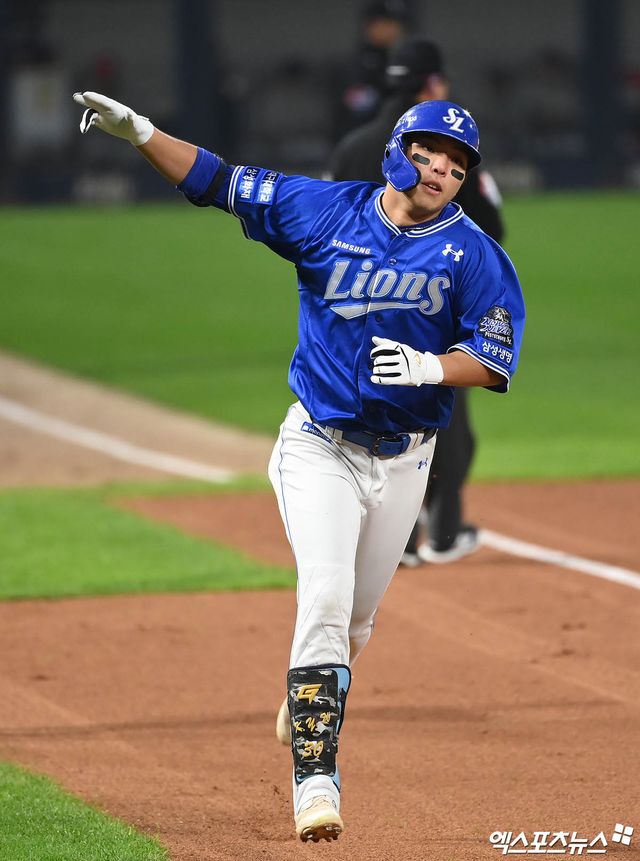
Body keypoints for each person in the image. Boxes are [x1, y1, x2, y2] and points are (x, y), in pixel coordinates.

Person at [73, 90, 525, 843]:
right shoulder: (324, 211)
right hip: (319, 445)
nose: (442, 173)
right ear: (399, 151)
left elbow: (494, 356)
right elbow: (218, 181)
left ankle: (310, 689)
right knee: (326, 597)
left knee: (355, 623)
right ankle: (317, 779)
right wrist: (143, 131)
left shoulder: (474, 254)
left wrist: (431, 367)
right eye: (430, 156)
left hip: (407, 459)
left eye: (456, 166)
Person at [329, 36, 506, 565]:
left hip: (350, 307)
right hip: (427, 305)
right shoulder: (446, 156)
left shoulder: (351, 146)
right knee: (445, 423)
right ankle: (443, 533)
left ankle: (392, 540)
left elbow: (329, 223)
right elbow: (490, 229)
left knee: (360, 419)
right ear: (432, 85)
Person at [332, 0, 408, 140]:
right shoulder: (353, 67)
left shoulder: (399, 64)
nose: (394, 29)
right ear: (371, 26)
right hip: (361, 144)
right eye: (388, 23)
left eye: (396, 24)